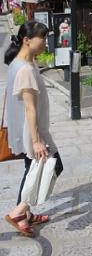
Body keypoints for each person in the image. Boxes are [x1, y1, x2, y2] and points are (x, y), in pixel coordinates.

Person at [3, 20, 63, 237]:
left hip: (26, 129)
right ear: (27, 40)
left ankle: (25, 214)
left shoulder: (19, 63)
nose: (45, 42)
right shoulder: (26, 69)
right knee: (54, 166)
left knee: (31, 170)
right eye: (42, 38)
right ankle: (19, 211)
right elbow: (30, 108)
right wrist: (37, 140)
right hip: (33, 132)